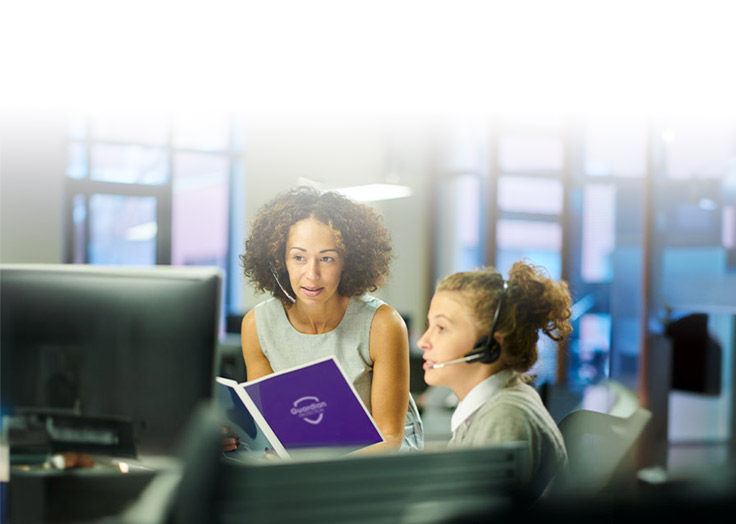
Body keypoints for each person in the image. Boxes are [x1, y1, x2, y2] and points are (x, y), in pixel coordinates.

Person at [233, 185, 423, 452]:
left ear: (348, 262)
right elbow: (270, 427)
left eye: (327, 259)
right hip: (305, 464)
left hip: (373, 465)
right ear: (279, 260)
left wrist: (311, 471)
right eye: (298, 257)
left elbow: (389, 438)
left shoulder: (383, 324)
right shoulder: (257, 326)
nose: (312, 274)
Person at [417, 260, 571, 496]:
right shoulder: (488, 409)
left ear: (488, 346)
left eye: (441, 328)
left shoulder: (505, 418)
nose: (423, 342)